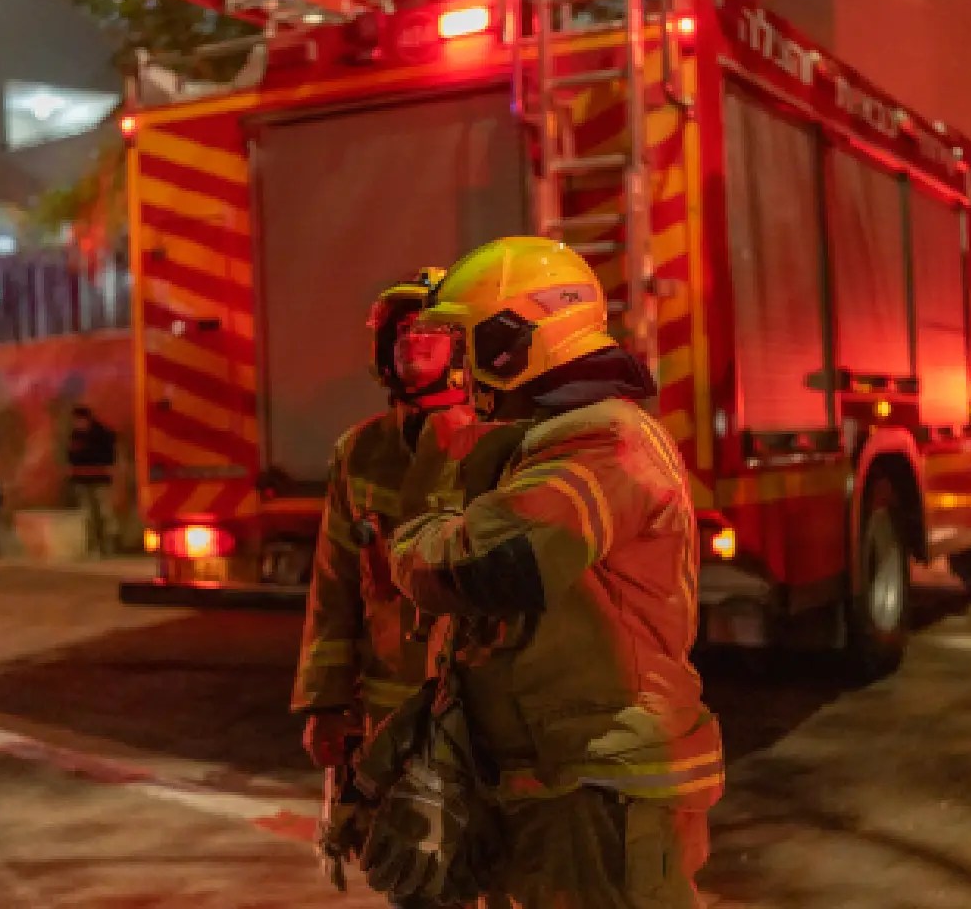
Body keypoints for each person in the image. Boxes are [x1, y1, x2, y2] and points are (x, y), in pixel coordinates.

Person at [377, 237, 724, 908]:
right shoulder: (553, 439)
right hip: (563, 780)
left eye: (469, 344)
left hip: (601, 789)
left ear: (512, 342)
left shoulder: (602, 440)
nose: (460, 370)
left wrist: (414, 540)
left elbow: (490, 562)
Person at [290, 269, 477, 899]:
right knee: (410, 876)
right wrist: (324, 705)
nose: (413, 346)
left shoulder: (498, 444)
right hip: (389, 718)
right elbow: (334, 588)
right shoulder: (361, 451)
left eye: (430, 332)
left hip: (479, 709)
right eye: (402, 334)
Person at [66, 406, 118, 557]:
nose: (77, 424)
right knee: (89, 516)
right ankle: (94, 547)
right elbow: (71, 455)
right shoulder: (76, 435)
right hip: (83, 481)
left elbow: (109, 454)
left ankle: (108, 546)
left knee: (104, 513)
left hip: (100, 480)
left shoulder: (101, 434)